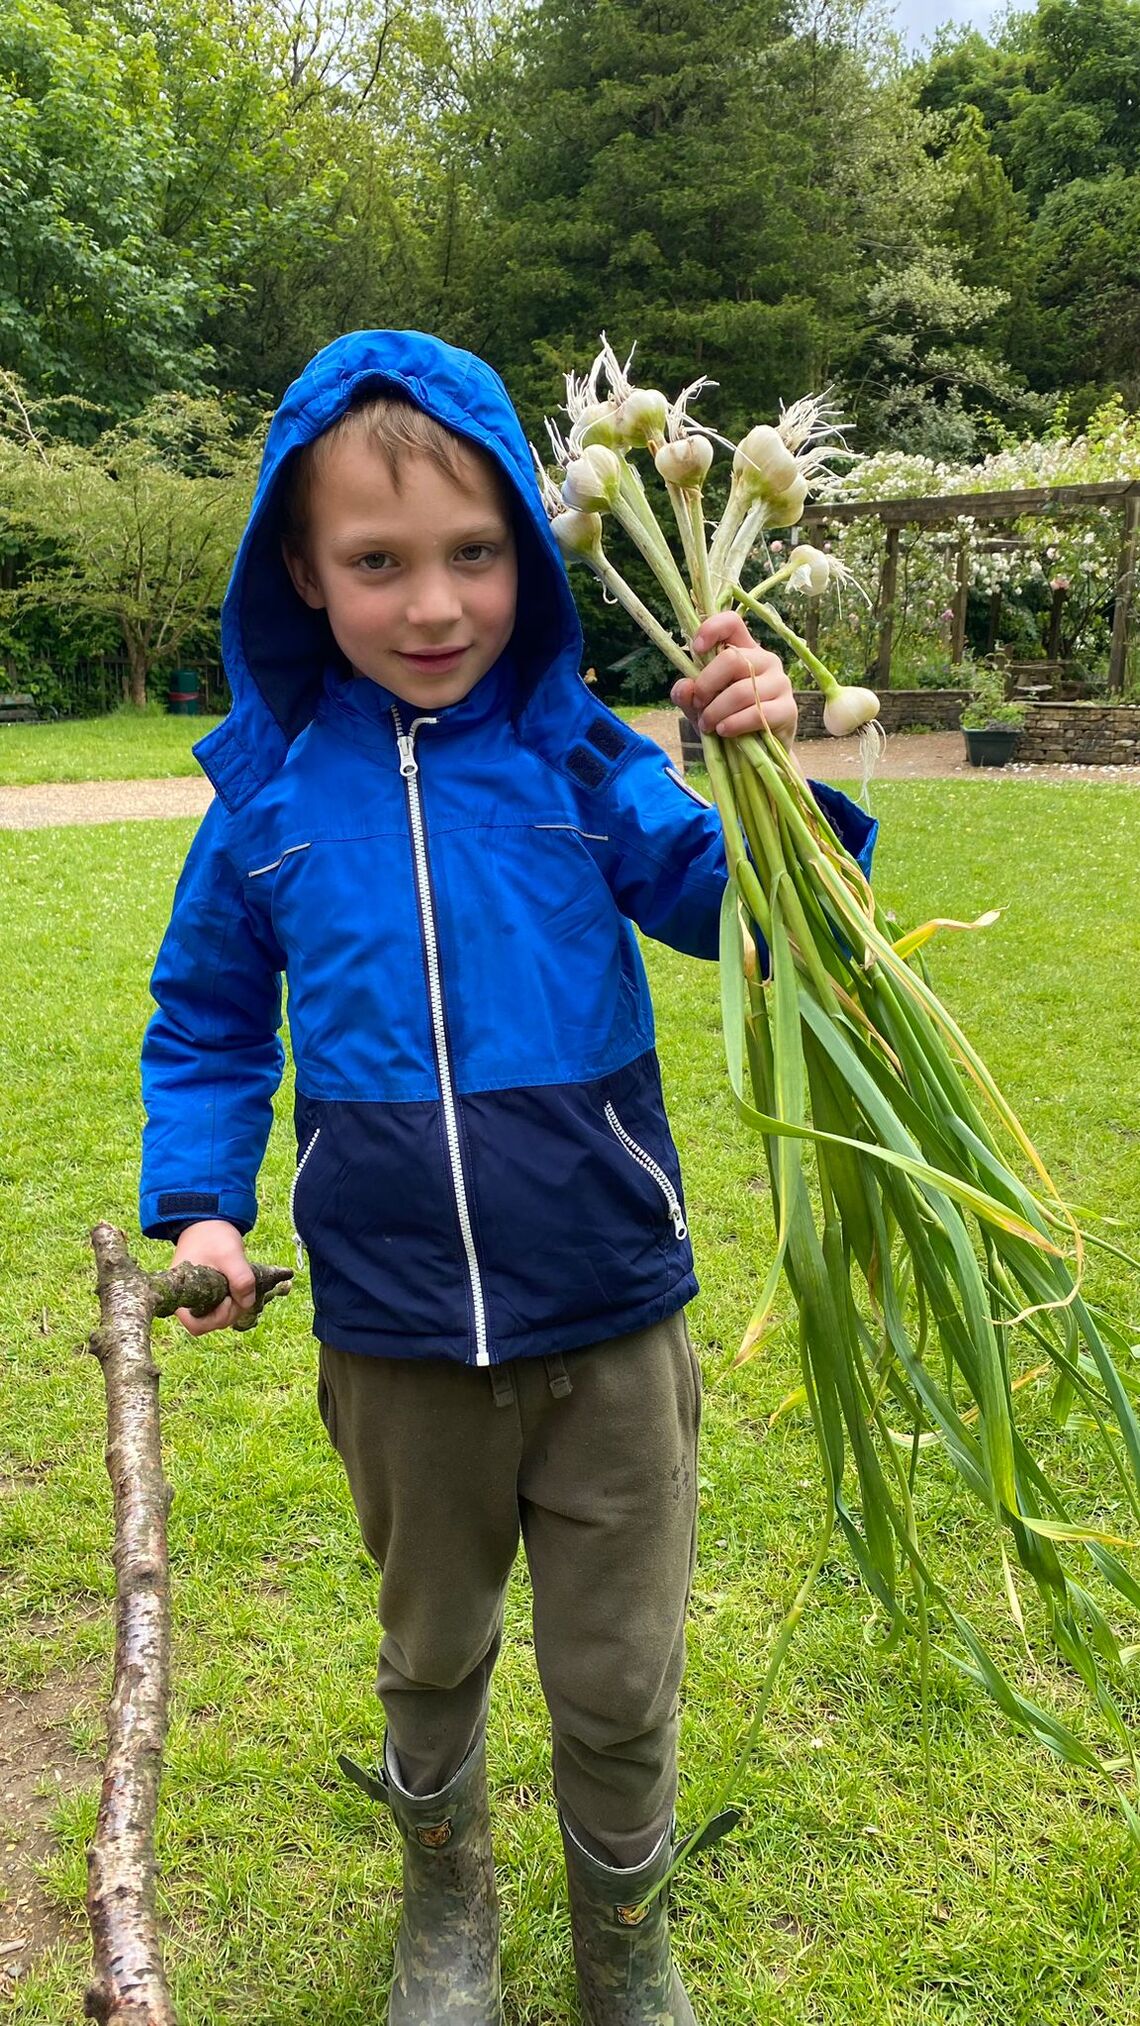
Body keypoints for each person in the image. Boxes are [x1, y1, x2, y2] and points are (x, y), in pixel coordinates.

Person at [140, 329, 876, 2026]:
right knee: (432, 1656)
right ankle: (445, 1910)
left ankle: (628, 1940)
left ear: (530, 562)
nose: (434, 604)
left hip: (614, 1317)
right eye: (378, 563)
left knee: (617, 1677)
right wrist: (205, 1202)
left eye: (475, 554)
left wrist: (771, 771)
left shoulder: (581, 761)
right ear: (304, 577)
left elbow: (746, 916)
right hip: (397, 1342)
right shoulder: (264, 803)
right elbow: (205, 1016)